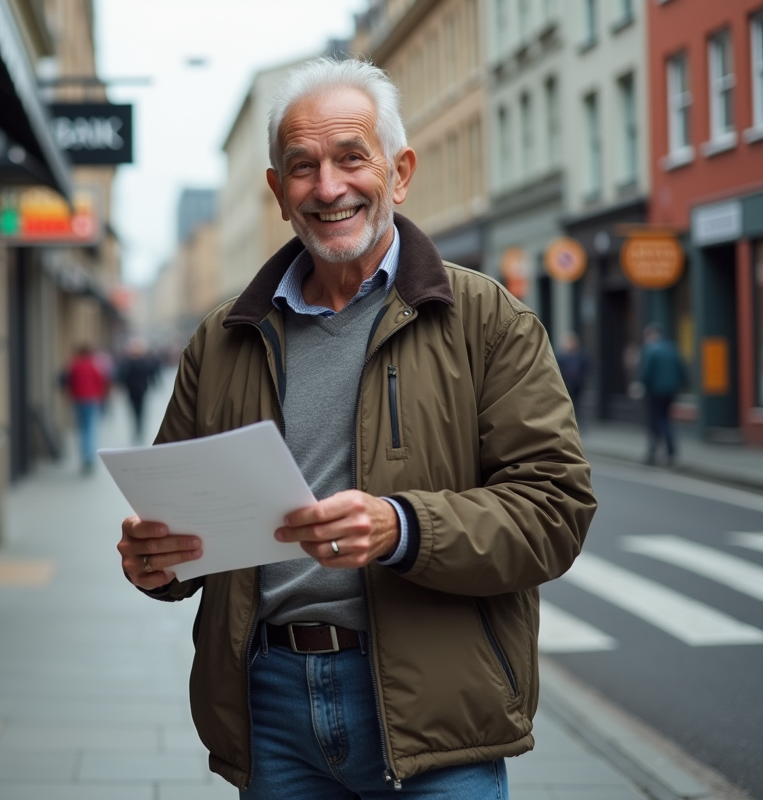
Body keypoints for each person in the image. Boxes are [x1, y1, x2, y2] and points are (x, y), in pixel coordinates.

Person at [115, 58, 596, 798]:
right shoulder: (224, 337)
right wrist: (157, 562)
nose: (329, 187)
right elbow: (183, 522)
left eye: (350, 158)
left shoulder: (485, 319)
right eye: (302, 167)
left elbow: (555, 510)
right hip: (269, 708)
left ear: (398, 173)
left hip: (435, 710)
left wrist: (403, 526)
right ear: (278, 193)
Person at [639, 323, 686, 466]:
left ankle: (655, 452)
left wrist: (642, 385)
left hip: (655, 391)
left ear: (650, 335)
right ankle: (668, 452)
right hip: (670, 391)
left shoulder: (650, 350)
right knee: (666, 419)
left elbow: (646, 373)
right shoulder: (671, 348)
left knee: (657, 421)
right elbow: (681, 368)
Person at [66, 344, 107, 474]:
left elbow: (69, 382)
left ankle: (84, 456)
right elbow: (101, 381)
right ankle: (89, 456)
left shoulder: (74, 365)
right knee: (90, 428)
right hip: (92, 399)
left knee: (82, 428)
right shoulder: (94, 365)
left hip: (78, 399)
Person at [117, 338, 160, 444]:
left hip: (139, 390)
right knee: (137, 412)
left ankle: (138, 430)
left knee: (139, 412)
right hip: (135, 390)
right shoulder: (132, 362)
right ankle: (138, 430)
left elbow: (151, 374)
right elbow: (123, 376)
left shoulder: (135, 362)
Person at [557, 332, 589, 421]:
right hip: (566, 384)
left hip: (578, 385)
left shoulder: (581, 356)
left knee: (577, 404)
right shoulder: (561, 357)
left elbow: (586, 369)